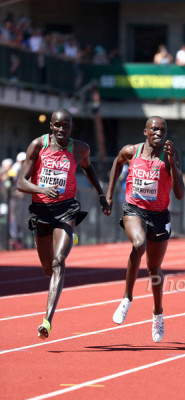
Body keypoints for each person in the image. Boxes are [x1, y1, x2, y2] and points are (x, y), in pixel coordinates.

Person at [17, 108, 110, 339]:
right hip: (41, 211)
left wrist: (101, 195)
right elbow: (21, 182)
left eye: (66, 126)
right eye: (57, 125)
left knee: (59, 262)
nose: (61, 129)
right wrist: (41, 188)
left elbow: (89, 168)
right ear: (51, 125)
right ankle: (69, 236)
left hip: (66, 208)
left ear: (71, 127)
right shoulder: (37, 146)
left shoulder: (79, 148)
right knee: (48, 268)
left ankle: (47, 320)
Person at [106, 116, 185, 342]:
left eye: (163, 129)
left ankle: (158, 313)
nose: (159, 133)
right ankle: (126, 298)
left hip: (159, 215)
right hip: (134, 209)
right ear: (145, 132)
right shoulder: (132, 151)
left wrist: (172, 163)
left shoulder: (171, 154)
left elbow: (179, 194)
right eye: (154, 129)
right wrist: (109, 196)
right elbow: (116, 163)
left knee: (154, 269)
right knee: (138, 243)